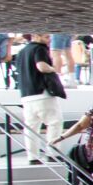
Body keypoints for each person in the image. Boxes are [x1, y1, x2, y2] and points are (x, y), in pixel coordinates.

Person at [14, 32, 66, 164]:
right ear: (36, 36)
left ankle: (33, 157)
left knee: (31, 127)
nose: (49, 40)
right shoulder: (39, 48)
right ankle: (53, 153)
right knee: (54, 122)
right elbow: (41, 67)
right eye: (47, 37)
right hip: (42, 93)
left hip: (26, 94)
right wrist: (54, 69)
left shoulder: (22, 52)